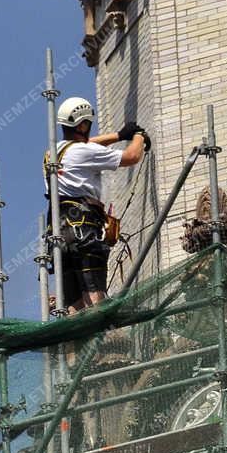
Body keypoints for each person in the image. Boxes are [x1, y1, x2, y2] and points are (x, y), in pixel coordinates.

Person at [44, 97, 148, 312]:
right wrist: (139, 137)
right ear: (82, 125)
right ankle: (100, 339)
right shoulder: (83, 152)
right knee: (94, 291)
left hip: (59, 233)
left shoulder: (54, 153)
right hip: (83, 228)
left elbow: (85, 146)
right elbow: (132, 156)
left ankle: (76, 343)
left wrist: (119, 136)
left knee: (74, 301)